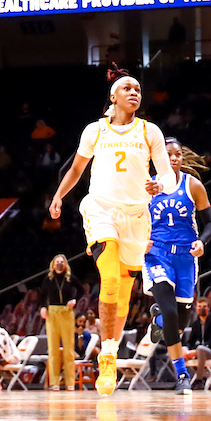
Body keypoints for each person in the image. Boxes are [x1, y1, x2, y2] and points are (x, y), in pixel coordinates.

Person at [49, 66, 176, 396]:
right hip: (101, 208)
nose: (135, 92)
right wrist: (59, 195)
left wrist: (159, 183)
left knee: (123, 289)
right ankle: (107, 358)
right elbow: (77, 168)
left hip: (137, 216)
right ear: (113, 96)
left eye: (138, 89)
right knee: (107, 275)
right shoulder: (95, 130)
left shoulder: (151, 132)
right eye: (128, 88)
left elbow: (168, 176)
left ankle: (109, 348)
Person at [145, 138, 211, 395]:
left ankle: (160, 319)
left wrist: (201, 241)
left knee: (180, 321)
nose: (173, 158)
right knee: (171, 312)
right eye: (168, 154)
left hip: (186, 258)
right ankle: (182, 375)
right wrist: (140, 241)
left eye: (177, 154)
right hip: (157, 255)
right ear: (158, 158)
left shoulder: (193, 185)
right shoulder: (147, 187)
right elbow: (132, 221)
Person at [39, 255, 79, 390]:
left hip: (67, 313)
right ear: (53, 265)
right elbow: (42, 295)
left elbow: (81, 290)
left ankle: (70, 382)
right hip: (52, 313)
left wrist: (74, 299)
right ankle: (54, 382)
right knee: (53, 349)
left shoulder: (70, 278)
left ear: (65, 264)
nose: (60, 264)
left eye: (62, 262)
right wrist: (43, 307)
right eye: (58, 262)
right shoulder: (48, 279)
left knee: (68, 349)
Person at [183, 297, 211, 385]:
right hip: (200, 352)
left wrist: (195, 352)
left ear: (208, 308)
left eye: (204, 306)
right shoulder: (196, 323)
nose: (202, 308)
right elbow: (191, 341)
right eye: (199, 306)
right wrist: (186, 350)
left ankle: (198, 379)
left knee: (200, 348)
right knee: (181, 351)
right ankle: (181, 380)